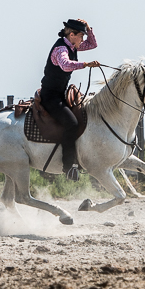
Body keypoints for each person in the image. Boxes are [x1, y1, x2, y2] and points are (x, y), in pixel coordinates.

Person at [40, 18, 99, 181]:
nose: (83, 39)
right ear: (72, 34)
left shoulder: (73, 45)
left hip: (61, 93)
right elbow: (66, 65)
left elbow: (93, 44)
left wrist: (88, 27)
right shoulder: (61, 49)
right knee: (72, 124)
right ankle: (68, 167)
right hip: (51, 96)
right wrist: (86, 64)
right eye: (81, 35)